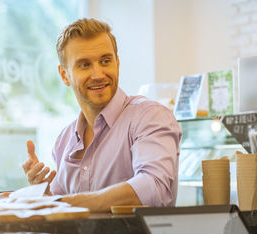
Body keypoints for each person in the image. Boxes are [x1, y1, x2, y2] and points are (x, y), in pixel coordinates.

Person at [22, 18, 182, 212]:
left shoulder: (150, 117)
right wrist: (44, 194)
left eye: (105, 61)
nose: (98, 74)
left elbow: (153, 188)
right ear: (64, 75)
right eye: (84, 65)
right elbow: (61, 209)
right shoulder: (63, 141)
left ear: (117, 63)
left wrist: (59, 203)